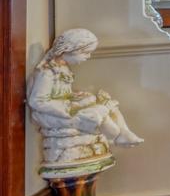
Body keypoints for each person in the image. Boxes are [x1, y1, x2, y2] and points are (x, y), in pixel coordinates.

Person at [27, 28, 143, 169]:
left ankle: (124, 131)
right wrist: (69, 107)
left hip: (64, 108)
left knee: (103, 102)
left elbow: (59, 94)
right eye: (85, 52)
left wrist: (74, 96)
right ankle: (117, 136)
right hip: (51, 115)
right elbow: (36, 101)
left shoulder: (63, 68)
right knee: (96, 113)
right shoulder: (47, 72)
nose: (88, 57)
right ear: (68, 49)